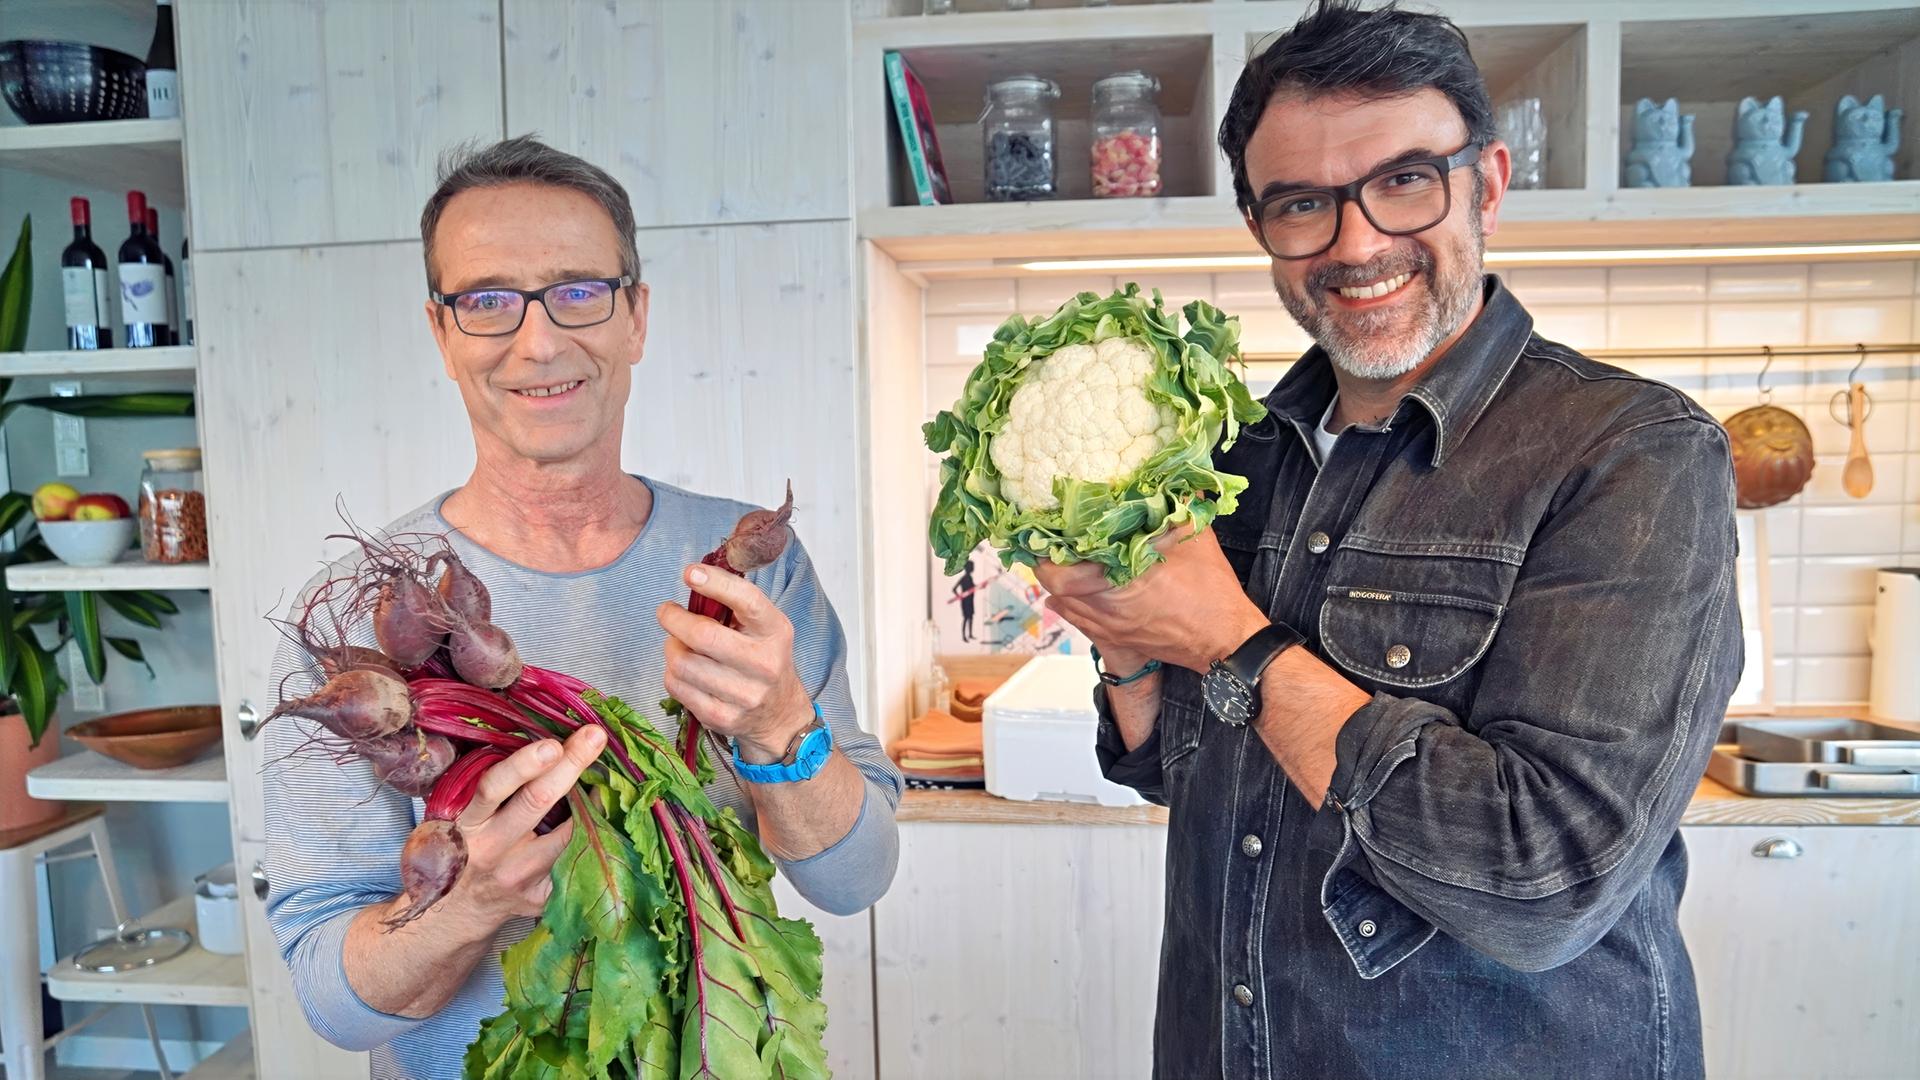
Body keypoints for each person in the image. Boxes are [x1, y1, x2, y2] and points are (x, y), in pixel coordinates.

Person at [1034, 3, 1741, 1078]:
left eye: (1405, 181)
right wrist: (1127, 640)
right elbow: (1204, 775)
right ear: (1260, 226)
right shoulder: (1236, 457)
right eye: (1303, 204)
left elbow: (1546, 881)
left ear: (1488, 183)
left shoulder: (1633, 453)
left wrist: (1233, 640)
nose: (1357, 243)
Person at [261, 136, 902, 1078]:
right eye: (486, 301)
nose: (538, 340)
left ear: (635, 317)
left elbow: (856, 880)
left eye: (577, 290)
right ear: (442, 335)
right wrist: (475, 901)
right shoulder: (364, 617)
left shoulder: (748, 569)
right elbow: (330, 998)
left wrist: (781, 728)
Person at [953, 559, 977, 642]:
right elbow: (954, 589)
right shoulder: (964, 578)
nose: (973, 568)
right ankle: (964, 636)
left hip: (970, 601)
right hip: (965, 602)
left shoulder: (970, 578)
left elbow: (973, 587)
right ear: (968, 568)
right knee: (966, 618)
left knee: (971, 617)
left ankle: (970, 634)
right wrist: (960, 596)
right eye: (972, 567)